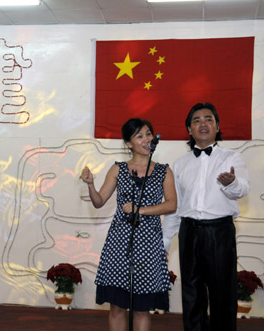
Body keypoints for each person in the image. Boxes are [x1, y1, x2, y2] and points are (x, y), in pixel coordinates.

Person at [81, 118, 177, 331]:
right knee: (117, 306)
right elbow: (98, 202)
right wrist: (90, 185)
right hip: (120, 244)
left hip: (149, 244)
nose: (146, 139)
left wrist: (140, 210)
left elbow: (171, 204)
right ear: (128, 143)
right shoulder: (118, 169)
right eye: (139, 136)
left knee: (142, 308)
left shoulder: (163, 171)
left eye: (149, 134)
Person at [163, 102, 250, 331]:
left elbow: (243, 189)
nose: (203, 123)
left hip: (219, 232)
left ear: (217, 126)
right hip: (188, 232)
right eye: (197, 120)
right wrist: (164, 241)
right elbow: (176, 206)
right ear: (189, 129)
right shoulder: (180, 163)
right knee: (191, 293)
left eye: (209, 119)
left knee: (222, 293)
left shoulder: (232, 157)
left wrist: (232, 184)